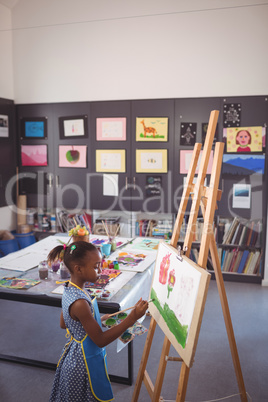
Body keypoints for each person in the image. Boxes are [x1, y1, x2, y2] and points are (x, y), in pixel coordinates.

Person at [48, 241, 148, 402]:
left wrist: (96, 320)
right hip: (83, 364)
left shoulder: (70, 288)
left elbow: (65, 323)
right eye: (96, 266)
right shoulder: (80, 303)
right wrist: (132, 318)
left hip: (73, 356)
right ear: (78, 269)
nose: (100, 270)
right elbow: (100, 340)